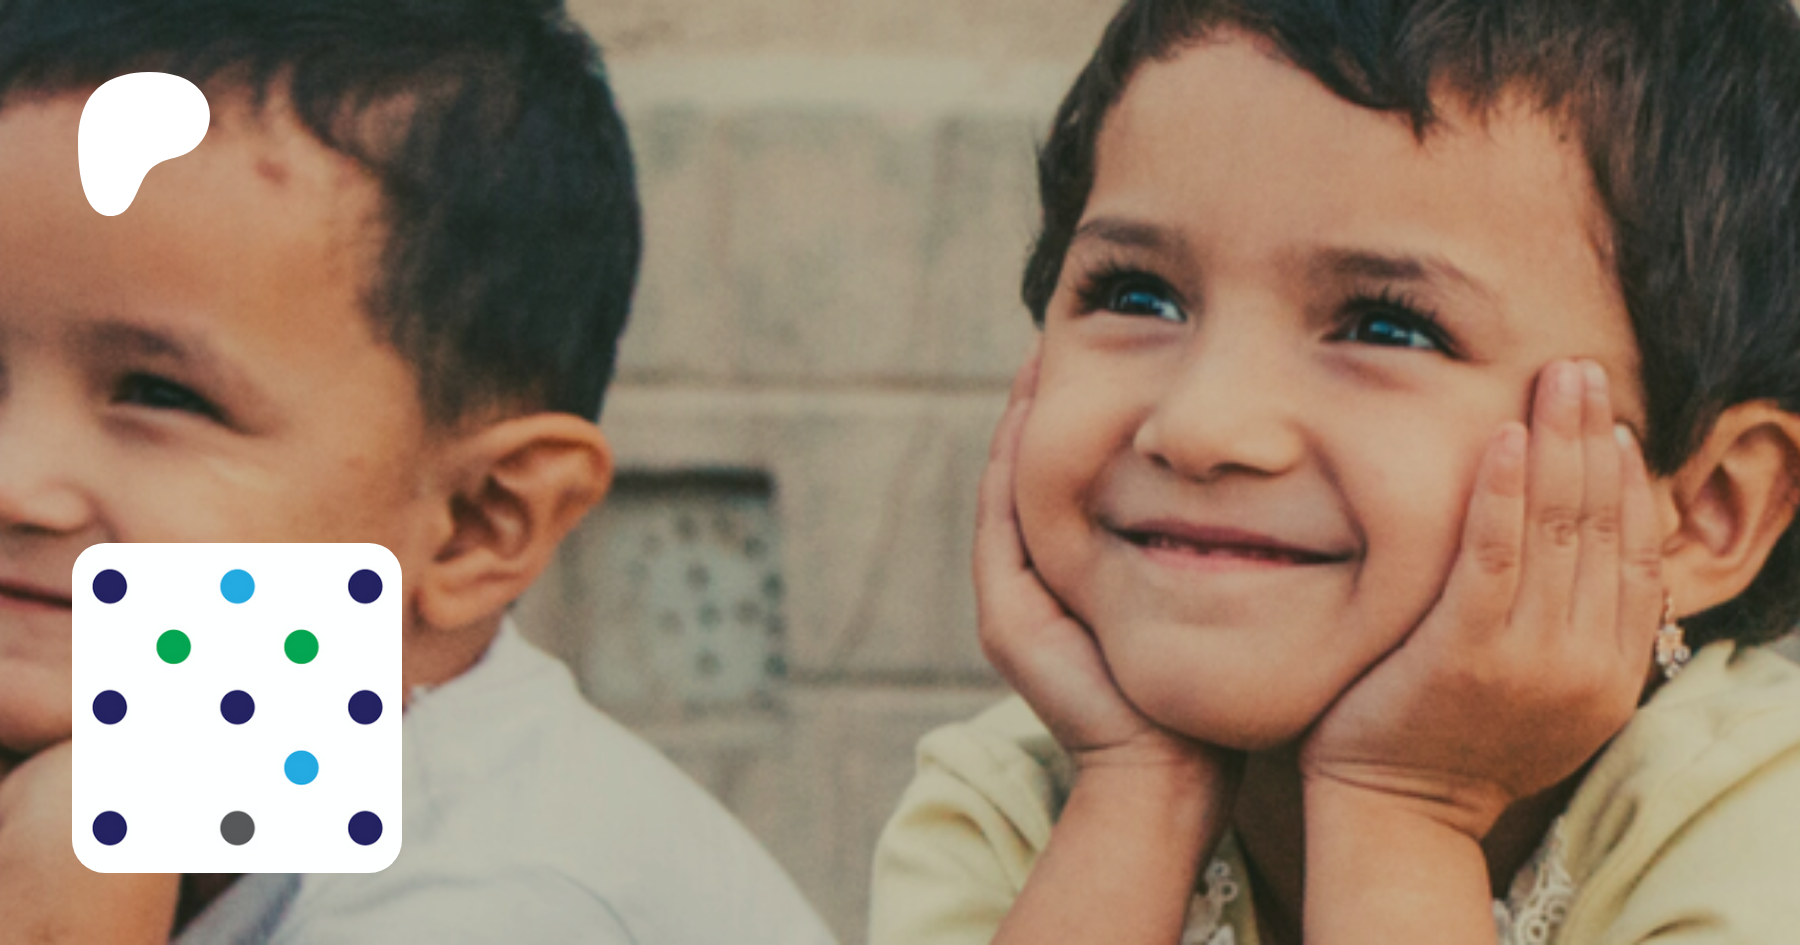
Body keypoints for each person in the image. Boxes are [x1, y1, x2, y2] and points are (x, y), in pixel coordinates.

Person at [869, 1, 1800, 942]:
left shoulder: (1764, 825)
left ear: (1706, 509)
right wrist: (1137, 798)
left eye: (1386, 327)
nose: (1199, 427)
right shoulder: (1009, 800)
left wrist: (1406, 808)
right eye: (1138, 295)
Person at [0, 1, 836, 942]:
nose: (15, 481)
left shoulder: (502, 895)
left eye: (163, 395)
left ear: (478, 521)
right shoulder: (174, 773)